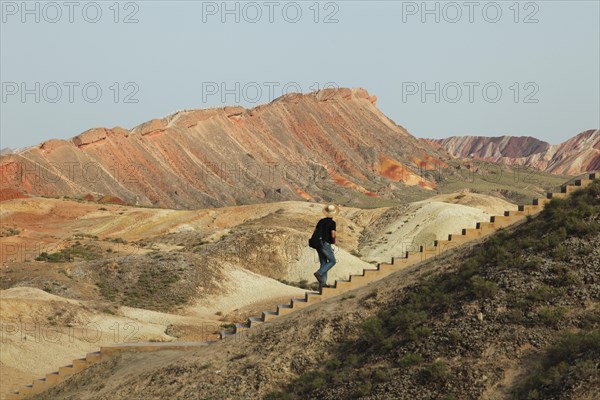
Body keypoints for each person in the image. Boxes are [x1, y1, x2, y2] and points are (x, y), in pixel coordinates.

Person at [313, 204, 338, 288]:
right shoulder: (332, 223)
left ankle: (322, 284)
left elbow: (315, 232)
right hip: (325, 244)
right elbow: (333, 234)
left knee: (323, 262)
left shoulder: (321, 221)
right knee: (332, 261)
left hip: (318, 244)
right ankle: (319, 273)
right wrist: (333, 241)